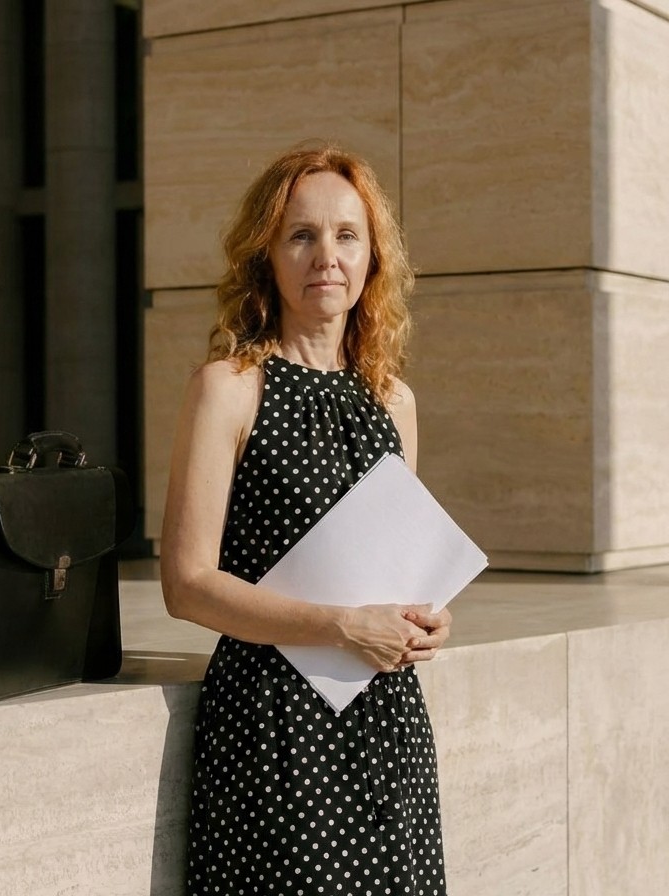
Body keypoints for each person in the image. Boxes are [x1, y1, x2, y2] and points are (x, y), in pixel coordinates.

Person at [160, 143, 452, 896]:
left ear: (373, 258)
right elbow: (186, 585)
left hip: (385, 720)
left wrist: (423, 619)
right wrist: (341, 628)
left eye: (347, 236)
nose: (327, 256)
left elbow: (391, 570)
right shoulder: (228, 389)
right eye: (302, 234)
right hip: (273, 724)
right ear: (268, 255)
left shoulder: (394, 403)